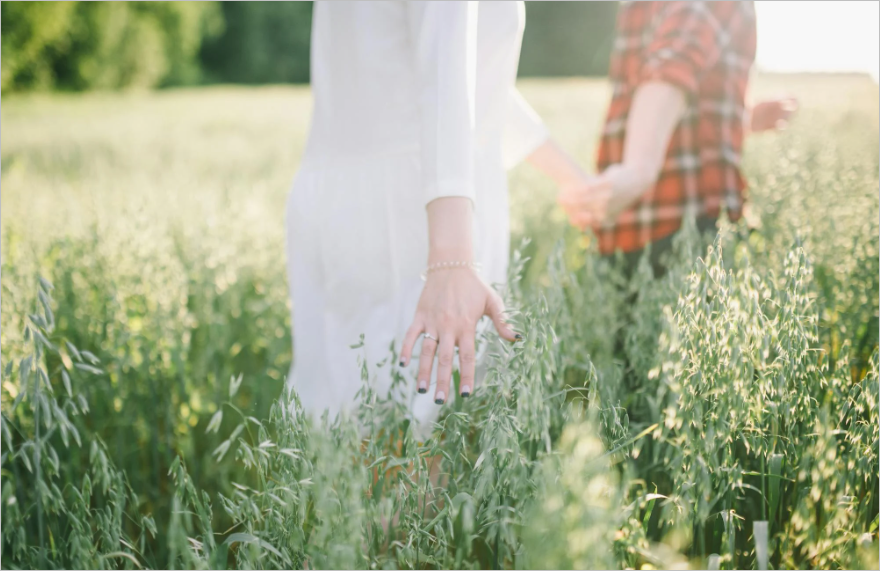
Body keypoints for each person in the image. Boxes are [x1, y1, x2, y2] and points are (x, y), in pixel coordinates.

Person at [286, 1, 588, 437]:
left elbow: (474, 80)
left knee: (354, 436)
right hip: (416, 219)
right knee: (409, 446)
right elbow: (444, 77)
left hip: (351, 200)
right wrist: (451, 260)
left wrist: (576, 182)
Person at [558, 1, 797, 277]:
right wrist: (639, 168)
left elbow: (673, 79)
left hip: (626, 224)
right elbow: (674, 63)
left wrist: (738, 118)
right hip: (688, 224)